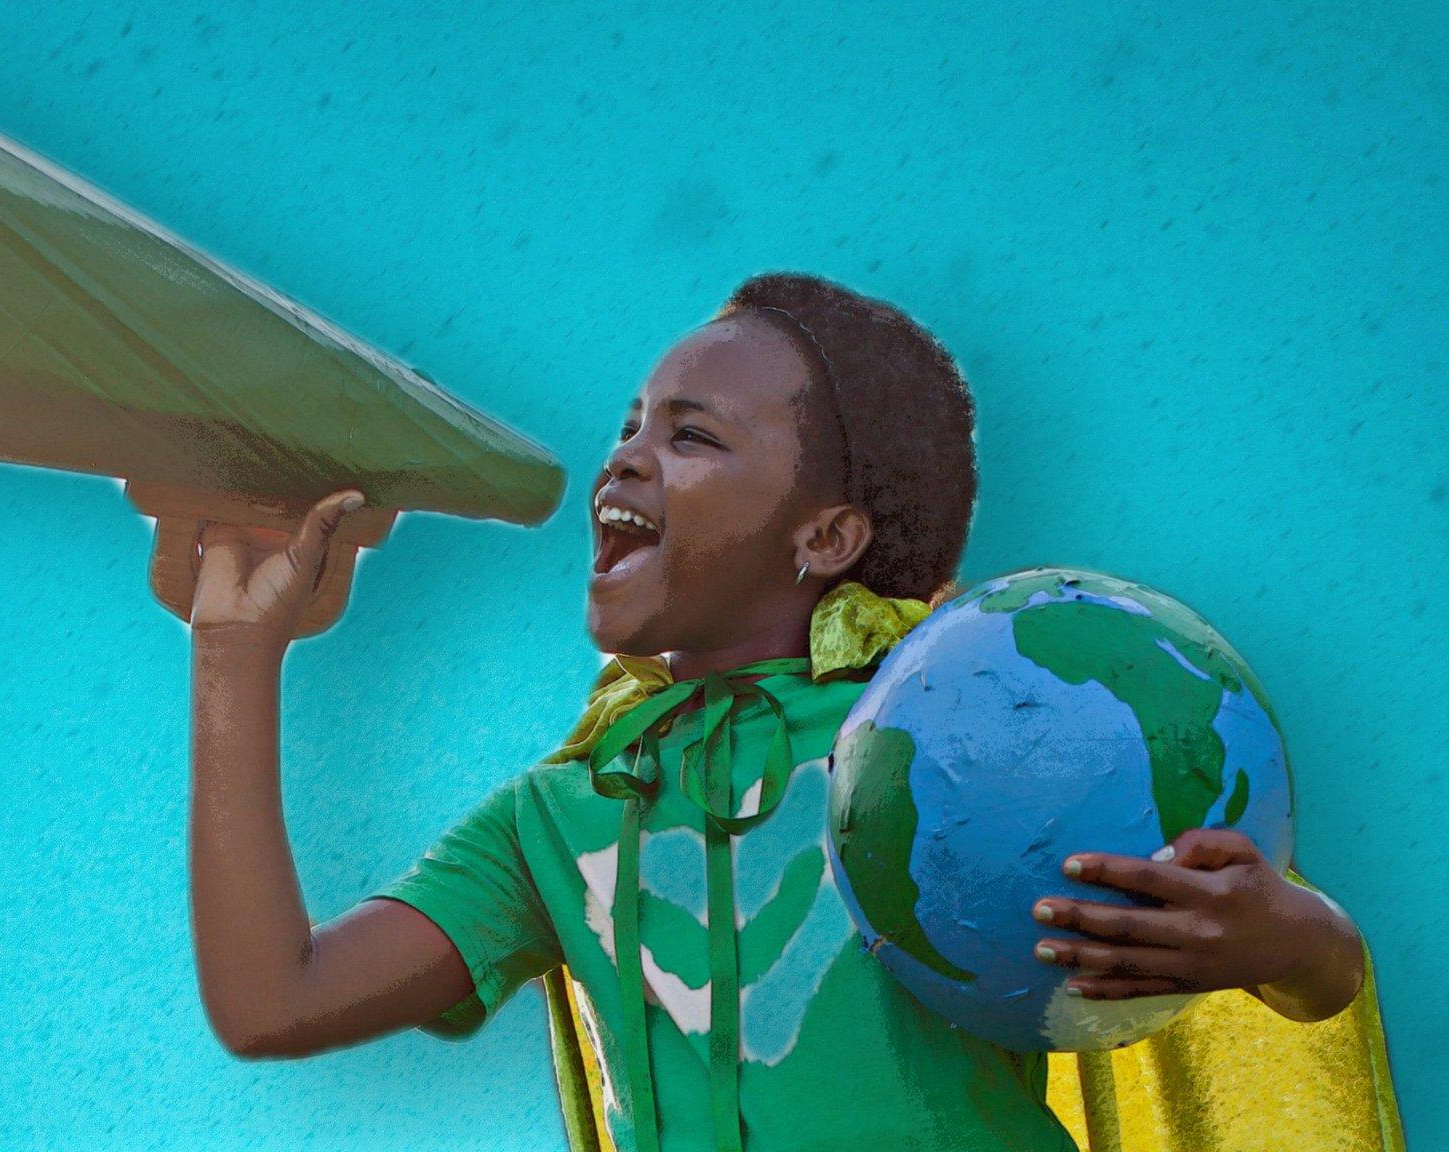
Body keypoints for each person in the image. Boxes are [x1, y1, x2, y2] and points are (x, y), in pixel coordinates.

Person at [183, 272, 1369, 1151]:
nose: (625, 462)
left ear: (827, 536)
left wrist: (1291, 938)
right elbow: (270, 1002)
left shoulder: (954, 737)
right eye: (628, 427)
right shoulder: (564, 810)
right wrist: (235, 648)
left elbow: (1304, 970)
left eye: (689, 436)